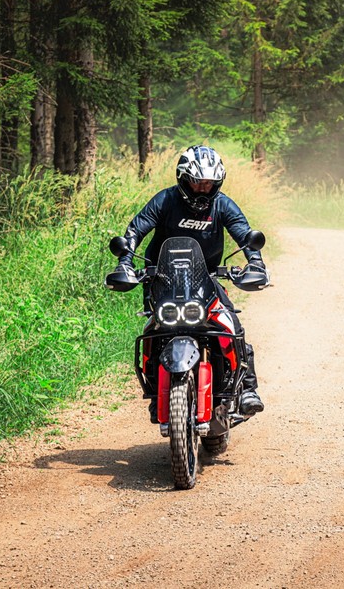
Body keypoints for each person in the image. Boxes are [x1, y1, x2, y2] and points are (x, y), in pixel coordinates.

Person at [113, 145, 267, 421]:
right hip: (162, 279)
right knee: (155, 330)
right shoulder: (165, 200)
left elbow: (244, 234)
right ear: (183, 179)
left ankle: (247, 389)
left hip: (205, 279)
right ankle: (156, 392)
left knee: (231, 325)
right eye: (197, 182)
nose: (202, 189)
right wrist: (125, 262)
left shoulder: (223, 204)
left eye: (208, 184)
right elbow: (136, 230)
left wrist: (255, 263)